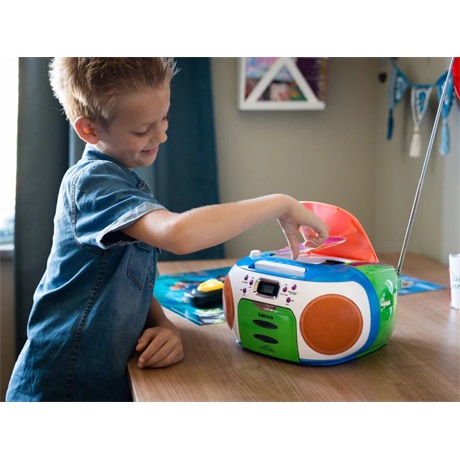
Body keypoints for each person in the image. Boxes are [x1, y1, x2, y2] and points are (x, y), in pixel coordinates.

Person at [6, 58, 329, 402]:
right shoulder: (93, 184)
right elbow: (179, 234)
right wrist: (279, 204)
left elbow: (124, 280)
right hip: (63, 387)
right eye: (142, 130)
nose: (162, 135)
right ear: (89, 130)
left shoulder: (123, 181)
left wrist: (162, 323)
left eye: (164, 118)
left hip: (104, 379)